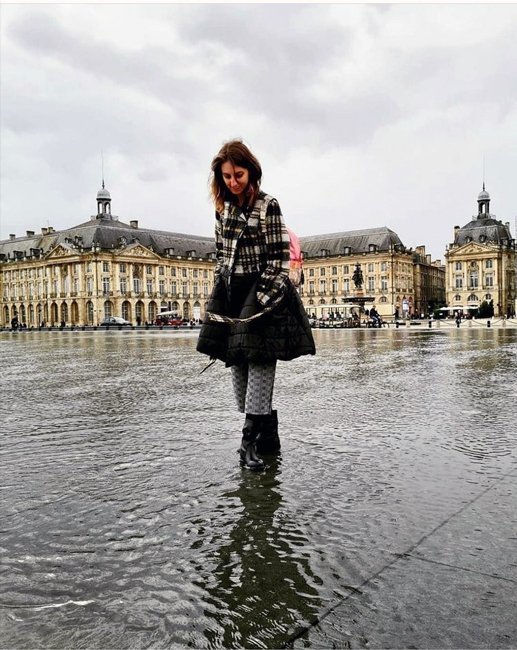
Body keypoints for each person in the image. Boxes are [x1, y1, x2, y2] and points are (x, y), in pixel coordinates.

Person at [197, 139, 316, 470]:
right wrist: (220, 300)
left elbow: (279, 260)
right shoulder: (223, 210)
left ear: (251, 171)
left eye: (238, 174)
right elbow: (222, 257)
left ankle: (247, 446)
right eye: (226, 177)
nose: (233, 182)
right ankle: (267, 437)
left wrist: (262, 300)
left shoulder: (268, 206)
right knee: (238, 373)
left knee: (260, 367)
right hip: (234, 294)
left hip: (265, 294)